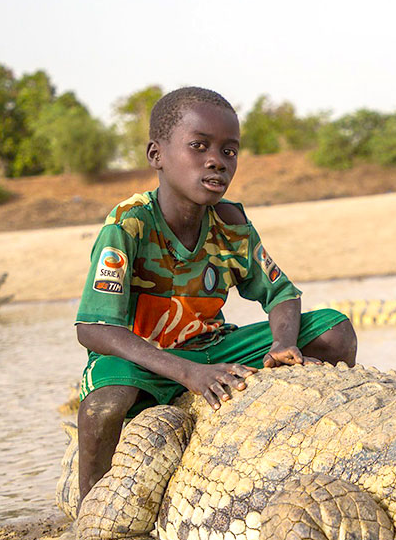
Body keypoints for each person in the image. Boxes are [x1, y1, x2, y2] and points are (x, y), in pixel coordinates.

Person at [74, 87, 356, 501]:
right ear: (157, 155)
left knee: (335, 330)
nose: (216, 161)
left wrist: (283, 343)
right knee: (106, 405)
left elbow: (280, 292)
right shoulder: (128, 224)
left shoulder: (231, 222)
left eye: (230, 151)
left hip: (213, 347)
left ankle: (297, 455)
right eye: (199, 146)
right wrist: (188, 374)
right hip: (144, 359)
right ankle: (90, 513)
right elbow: (94, 328)